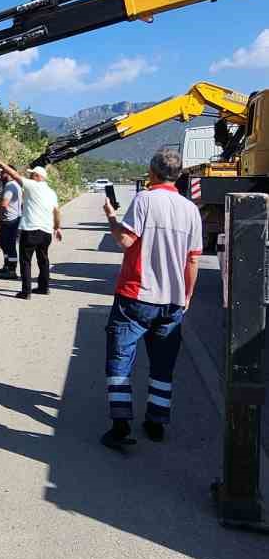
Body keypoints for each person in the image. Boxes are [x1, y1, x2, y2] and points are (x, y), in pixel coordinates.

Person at [101, 145, 202, 450]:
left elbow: (125, 240)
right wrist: (186, 297)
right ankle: (156, 423)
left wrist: (111, 217)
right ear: (180, 175)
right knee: (162, 365)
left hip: (136, 296)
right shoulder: (191, 210)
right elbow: (193, 259)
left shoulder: (144, 199)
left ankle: (120, 426)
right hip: (172, 301)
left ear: (152, 172)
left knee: (120, 360)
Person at [0, 162, 62, 298]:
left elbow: (15, 175)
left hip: (31, 230)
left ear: (38, 176)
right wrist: (57, 227)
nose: (30, 176)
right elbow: (56, 211)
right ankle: (44, 288)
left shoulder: (32, 185)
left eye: (32, 174)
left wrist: (2, 165)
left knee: (25, 261)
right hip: (46, 231)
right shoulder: (51, 192)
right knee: (43, 259)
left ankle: (26, 291)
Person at [0, 167, 22, 278]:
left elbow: (4, 203)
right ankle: (7, 266)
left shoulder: (10, 186)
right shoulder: (16, 185)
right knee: (4, 244)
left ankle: (12, 270)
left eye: (2, 173)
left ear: (8, 174)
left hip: (10, 221)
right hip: (12, 219)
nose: (0, 175)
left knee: (9, 246)